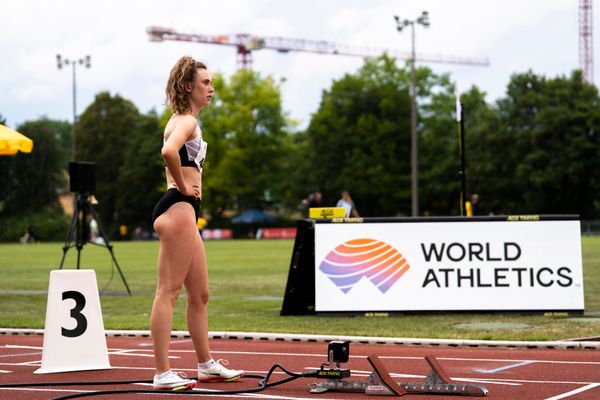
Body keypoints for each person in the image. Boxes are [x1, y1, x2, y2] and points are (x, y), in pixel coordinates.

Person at [150, 56, 244, 391]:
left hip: (186, 212)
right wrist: (182, 185)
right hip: (178, 209)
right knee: (168, 292)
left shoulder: (183, 119)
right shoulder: (186, 121)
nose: (212, 89)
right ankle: (162, 373)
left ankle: (205, 365)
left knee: (200, 294)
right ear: (188, 86)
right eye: (206, 83)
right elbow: (168, 151)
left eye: (212, 82)